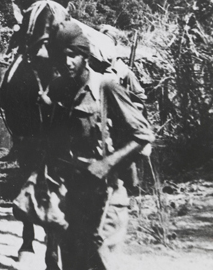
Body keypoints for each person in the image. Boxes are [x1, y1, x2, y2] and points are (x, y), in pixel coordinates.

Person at [46, 21, 155, 270]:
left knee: (100, 262)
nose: (66, 63)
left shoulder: (106, 86)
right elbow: (52, 142)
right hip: (73, 197)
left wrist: (107, 163)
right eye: (60, 57)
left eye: (72, 55)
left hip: (107, 196)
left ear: (85, 55)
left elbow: (143, 134)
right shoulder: (59, 89)